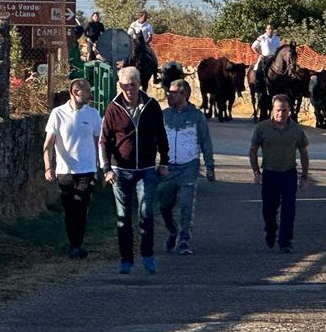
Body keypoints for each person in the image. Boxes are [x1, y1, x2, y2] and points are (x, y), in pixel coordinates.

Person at [99, 65, 170, 274]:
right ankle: (126, 259)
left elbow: (161, 135)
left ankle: (147, 255)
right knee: (123, 216)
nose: (129, 89)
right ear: (119, 85)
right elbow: (104, 141)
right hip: (120, 170)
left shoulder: (151, 105)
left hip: (146, 168)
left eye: (132, 84)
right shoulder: (113, 108)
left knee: (146, 212)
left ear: (140, 84)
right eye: (125, 85)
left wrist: (164, 161)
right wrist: (106, 168)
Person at [42, 77, 101, 259]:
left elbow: (98, 142)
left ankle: (77, 245)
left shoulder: (93, 114)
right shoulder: (58, 113)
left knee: (80, 206)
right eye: (87, 91)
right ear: (76, 92)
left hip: (87, 169)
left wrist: (101, 165)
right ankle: (73, 242)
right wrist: (48, 167)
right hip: (65, 171)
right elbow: (48, 144)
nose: (90, 94)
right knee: (69, 209)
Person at [158, 78, 215, 255]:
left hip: (189, 167)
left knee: (186, 204)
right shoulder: (164, 115)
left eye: (173, 93)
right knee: (164, 206)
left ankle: (184, 239)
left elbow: (205, 141)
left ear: (185, 94)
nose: (169, 95)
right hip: (168, 168)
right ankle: (172, 230)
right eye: (168, 92)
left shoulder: (196, 116)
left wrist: (210, 166)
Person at [248, 93, 309, 253]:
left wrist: (304, 176)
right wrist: (256, 172)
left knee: (289, 209)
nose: (281, 114)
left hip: (288, 174)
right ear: (272, 110)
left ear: (289, 111)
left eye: (284, 110)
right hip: (269, 174)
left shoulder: (296, 130)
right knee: (268, 209)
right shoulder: (262, 128)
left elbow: (303, 152)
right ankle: (270, 230)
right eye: (278, 110)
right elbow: (253, 150)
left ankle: (285, 242)